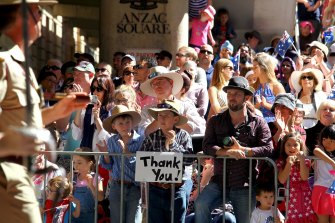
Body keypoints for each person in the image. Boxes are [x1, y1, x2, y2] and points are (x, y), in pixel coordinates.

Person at [0, 1, 89, 222]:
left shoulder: (22, 66)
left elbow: (26, 121)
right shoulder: (4, 63)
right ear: (22, 15)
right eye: (37, 10)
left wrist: (60, 110)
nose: (40, 16)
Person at [194, 76, 274, 223]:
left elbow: (268, 148)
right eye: (229, 93)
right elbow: (206, 145)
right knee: (201, 204)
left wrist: (244, 150)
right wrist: (227, 152)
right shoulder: (215, 120)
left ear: (247, 97)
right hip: (219, 181)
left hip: (245, 183)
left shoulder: (258, 122)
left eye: (237, 94)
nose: (232, 97)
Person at [140, 99, 193, 223]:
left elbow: (189, 159)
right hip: (155, 189)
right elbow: (142, 161)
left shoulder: (184, 136)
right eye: (160, 115)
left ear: (175, 119)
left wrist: (174, 144)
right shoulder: (151, 137)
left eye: (166, 115)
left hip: (177, 189)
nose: (162, 118)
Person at [98, 105, 143, 223]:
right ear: (114, 126)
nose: (124, 126)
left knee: (133, 220)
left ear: (132, 123)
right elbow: (109, 165)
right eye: (121, 123)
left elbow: (142, 168)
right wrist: (106, 155)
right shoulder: (112, 141)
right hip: (116, 186)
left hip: (134, 188)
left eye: (127, 122)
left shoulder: (141, 140)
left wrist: (127, 152)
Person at [139, 68, 206, 135]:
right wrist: (163, 120)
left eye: (160, 81)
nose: (157, 86)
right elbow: (142, 133)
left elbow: (200, 129)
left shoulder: (186, 106)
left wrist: (173, 120)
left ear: (171, 83)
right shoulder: (147, 110)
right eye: (153, 84)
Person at [276, 133, 317, 223]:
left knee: (307, 217)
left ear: (300, 146)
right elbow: (282, 179)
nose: (292, 148)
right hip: (291, 196)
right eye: (289, 145)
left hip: (305, 196)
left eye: (295, 145)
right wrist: (288, 164)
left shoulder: (305, 161)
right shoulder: (281, 162)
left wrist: (302, 160)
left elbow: (305, 177)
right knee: (293, 218)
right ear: (284, 147)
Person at [72, 76, 113, 152]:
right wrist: (79, 108)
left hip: (101, 157)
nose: (95, 92)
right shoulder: (88, 108)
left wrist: (97, 118)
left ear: (107, 91)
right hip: (86, 156)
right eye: (93, 88)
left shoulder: (111, 109)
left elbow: (107, 140)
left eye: (99, 89)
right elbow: (76, 136)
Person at [72, 147, 104, 223]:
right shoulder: (73, 177)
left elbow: (100, 198)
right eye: (74, 162)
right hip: (73, 215)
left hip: (89, 216)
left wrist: (91, 186)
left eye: (79, 163)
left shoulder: (95, 177)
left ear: (89, 163)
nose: (76, 166)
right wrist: (68, 183)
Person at [253, 52, 285, 123]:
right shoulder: (255, 86)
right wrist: (256, 106)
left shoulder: (277, 86)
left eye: (255, 67)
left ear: (264, 67)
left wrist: (265, 105)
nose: (253, 70)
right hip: (257, 126)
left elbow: (284, 110)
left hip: (274, 127)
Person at [312, 124, 335, 222]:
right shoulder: (321, 151)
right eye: (325, 139)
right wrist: (332, 162)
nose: (327, 143)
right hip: (322, 189)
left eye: (332, 141)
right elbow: (316, 150)